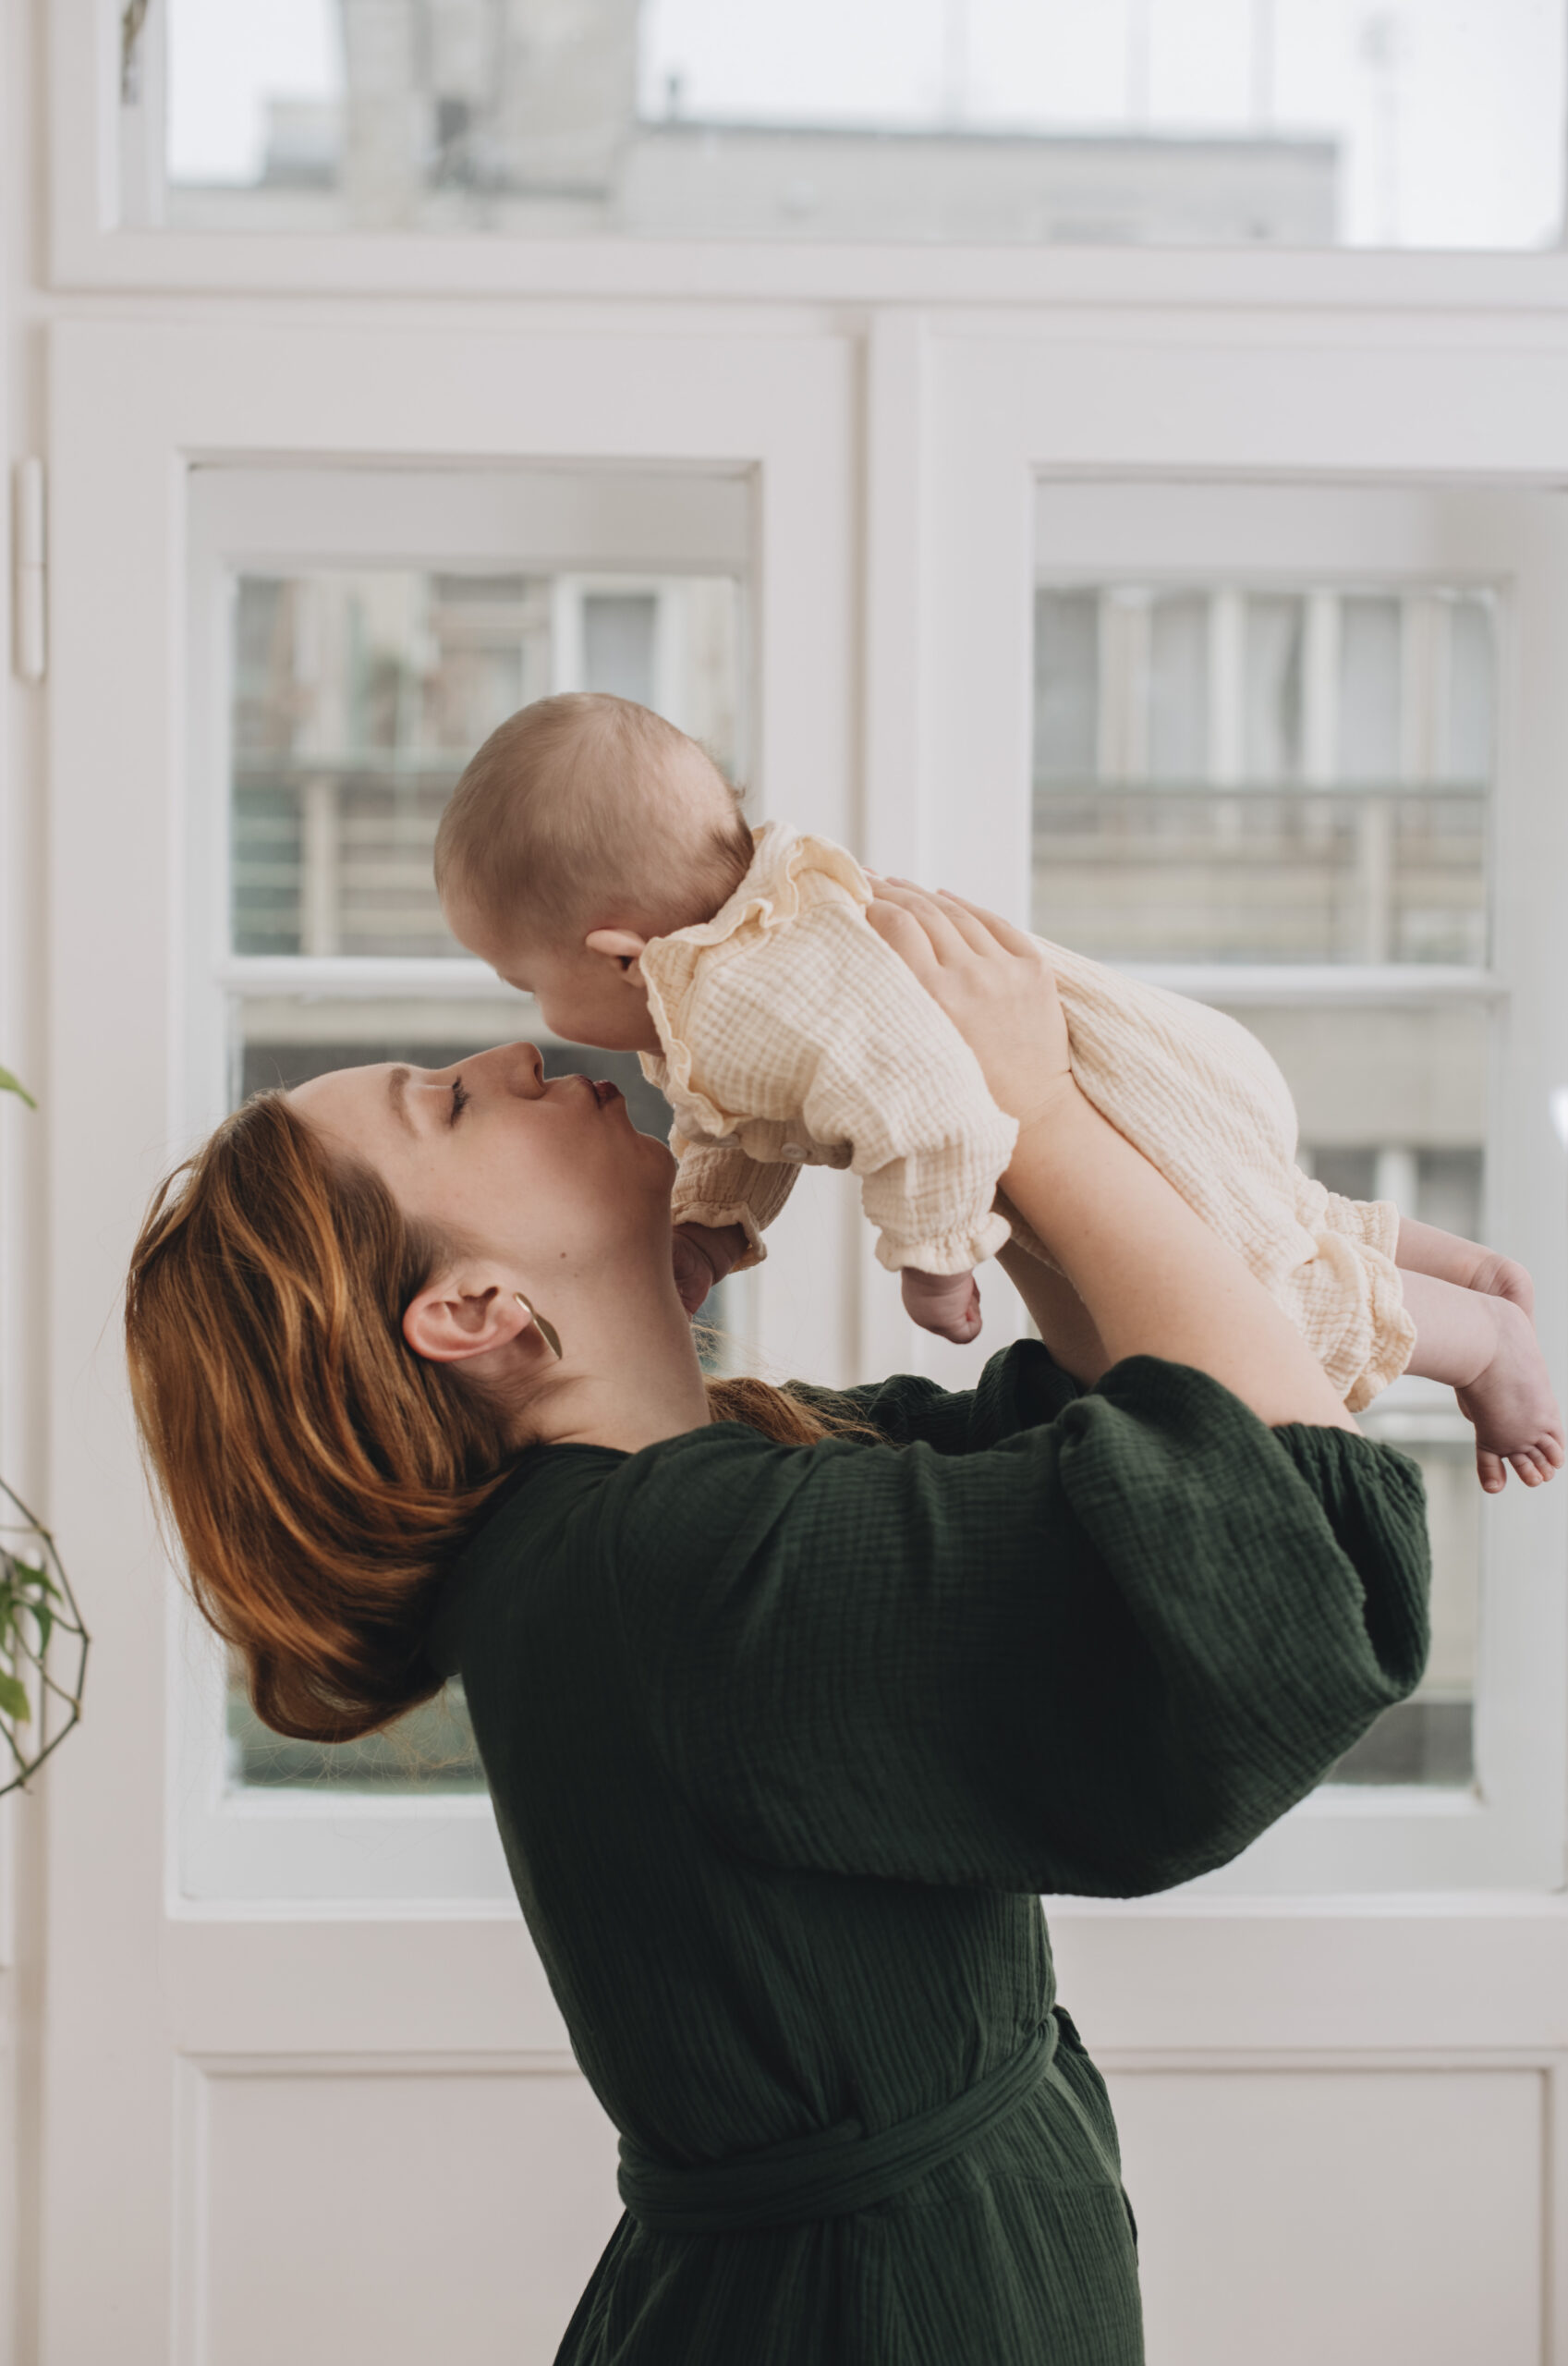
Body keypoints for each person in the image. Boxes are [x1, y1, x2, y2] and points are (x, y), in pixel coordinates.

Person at [126, 881, 1431, 2365]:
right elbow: (1297, 1553)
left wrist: (933, 1102)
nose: (513, 1061)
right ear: (473, 1307)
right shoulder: (658, 1570)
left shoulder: (681, 1502)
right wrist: (1042, 1116)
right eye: (449, 1107)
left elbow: (1122, 1422)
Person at [433, 691, 1562, 1493]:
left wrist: (933, 1251)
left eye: (522, 980)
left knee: (1251, 1302)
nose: (531, 1019)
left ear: (618, 951)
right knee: (1248, 1216)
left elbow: (921, 1100)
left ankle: (1477, 1342)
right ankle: (1451, 1262)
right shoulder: (730, 976)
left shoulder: (746, 998)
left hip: (1103, 1079)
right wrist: (712, 1229)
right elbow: (752, 1124)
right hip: (1144, 1061)